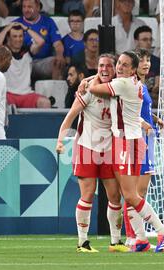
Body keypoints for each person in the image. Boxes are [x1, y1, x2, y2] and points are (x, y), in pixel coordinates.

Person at [88, 51, 164, 253]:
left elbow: (94, 89)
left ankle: (163, 231)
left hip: (126, 142)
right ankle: (141, 239)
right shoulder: (135, 84)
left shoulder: (123, 84)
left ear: (132, 70)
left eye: (125, 65)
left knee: (130, 195)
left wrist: (93, 79)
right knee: (131, 195)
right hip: (133, 141)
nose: (119, 67)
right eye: (119, 63)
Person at [56, 54, 130, 253]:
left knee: (114, 196)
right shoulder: (88, 91)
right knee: (87, 195)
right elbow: (70, 116)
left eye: (108, 66)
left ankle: (116, 242)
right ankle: (82, 242)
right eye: (101, 65)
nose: (104, 68)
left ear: (115, 69)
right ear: (96, 68)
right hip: (87, 148)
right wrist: (60, 139)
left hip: (109, 149)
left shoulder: (117, 88)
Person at [122, 48, 164, 249]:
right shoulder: (131, 85)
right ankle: (134, 236)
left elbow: (141, 110)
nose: (146, 64)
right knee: (134, 191)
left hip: (148, 138)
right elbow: (126, 112)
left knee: (141, 190)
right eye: (142, 61)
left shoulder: (142, 86)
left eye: (148, 60)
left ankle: (138, 236)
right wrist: (144, 125)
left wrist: (155, 119)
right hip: (137, 139)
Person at [0, 22, 51, 108]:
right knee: (0, 102)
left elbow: (41, 41)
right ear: (8, 38)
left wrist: (26, 28)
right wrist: (8, 27)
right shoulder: (4, 51)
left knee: (45, 103)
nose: (18, 39)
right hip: (8, 94)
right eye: (15, 36)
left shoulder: (28, 51)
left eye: (20, 36)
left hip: (26, 94)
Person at [14, 0, 65, 80]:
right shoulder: (16, 23)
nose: (26, 10)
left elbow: (58, 43)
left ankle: (54, 90)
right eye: (24, 7)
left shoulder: (48, 21)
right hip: (22, 62)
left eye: (29, 7)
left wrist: (59, 55)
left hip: (43, 62)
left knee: (57, 62)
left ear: (38, 7)